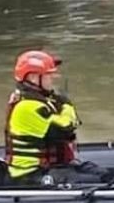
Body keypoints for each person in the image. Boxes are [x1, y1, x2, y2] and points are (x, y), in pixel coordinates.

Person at [4, 50, 82, 184]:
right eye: (48, 74)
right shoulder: (28, 106)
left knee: (98, 174)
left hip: (50, 168)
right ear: (34, 77)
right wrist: (67, 106)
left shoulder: (42, 100)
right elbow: (65, 130)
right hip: (29, 174)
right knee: (92, 180)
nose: (53, 77)